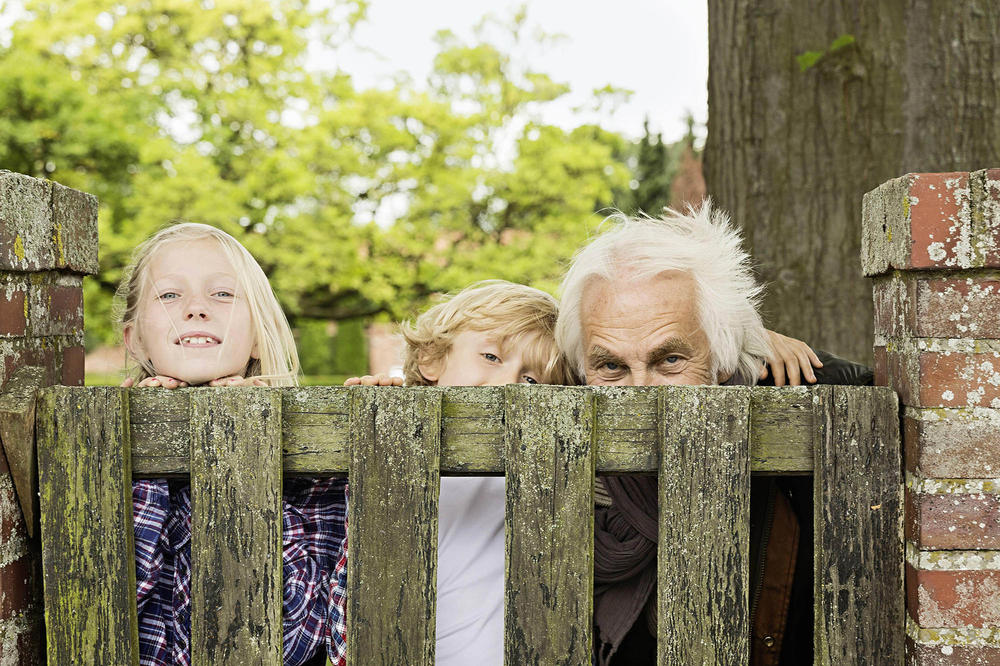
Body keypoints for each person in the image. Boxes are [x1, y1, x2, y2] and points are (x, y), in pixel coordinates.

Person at [554, 203, 871, 665]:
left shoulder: (816, 418)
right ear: (583, 372)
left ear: (724, 358)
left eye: (669, 360)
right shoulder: (561, 442)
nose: (641, 392)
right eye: (612, 366)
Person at [117, 222, 346, 666]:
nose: (196, 309)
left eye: (222, 294)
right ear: (135, 339)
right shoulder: (106, 445)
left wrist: (247, 452)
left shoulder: (314, 459)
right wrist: (142, 457)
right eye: (169, 295)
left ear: (259, 334)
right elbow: (111, 600)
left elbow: (295, 637)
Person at [329, 280, 575, 666]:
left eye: (531, 379)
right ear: (431, 359)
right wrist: (375, 418)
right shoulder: (395, 453)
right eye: (492, 357)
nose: (508, 384)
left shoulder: (543, 476)